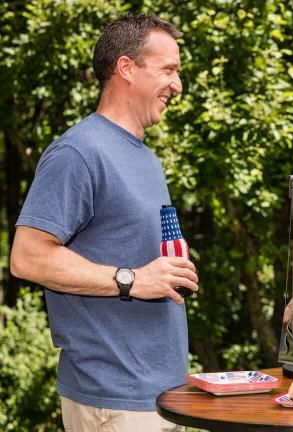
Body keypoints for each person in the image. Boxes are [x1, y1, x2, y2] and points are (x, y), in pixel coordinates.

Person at [10, 14, 198, 432]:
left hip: (165, 394)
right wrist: (132, 279)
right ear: (126, 68)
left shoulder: (145, 158)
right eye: (167, 70)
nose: (177, 85)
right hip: (115, 402)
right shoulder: (78, 152)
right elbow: (26, 258)